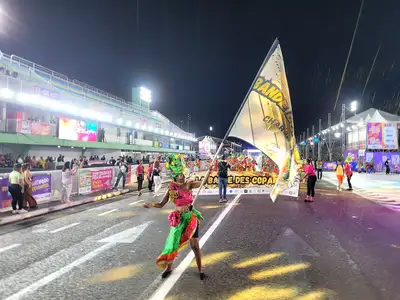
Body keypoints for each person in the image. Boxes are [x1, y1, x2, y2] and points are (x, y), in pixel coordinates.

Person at [143, 154, 205, 280]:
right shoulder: (171, 187)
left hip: (190, 218)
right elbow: (161, 204)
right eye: (179, 175)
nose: (181, 177)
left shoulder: (189, 184)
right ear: (175, 176)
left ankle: (201, 270)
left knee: (195, 246)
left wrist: (207, 175)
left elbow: (202, 183)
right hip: (178, 219)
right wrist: (151, 204)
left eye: (182, 174)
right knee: (172, 244)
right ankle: (169, 268)